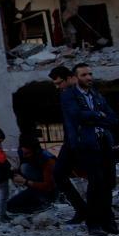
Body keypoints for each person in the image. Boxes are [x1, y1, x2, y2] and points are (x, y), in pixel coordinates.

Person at [60, 63, 119, 236]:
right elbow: (76, 115)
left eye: (90, 74)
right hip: (87, 144)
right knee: (96, 183)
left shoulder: (96, 95)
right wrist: (98, 115)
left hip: (104, 142)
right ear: (76, 77)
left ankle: (109, 222)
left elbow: (112, 118)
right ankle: (93, 224)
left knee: (108, 183)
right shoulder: (69, 95)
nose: (89, 77)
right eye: (84, 75)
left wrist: (95, 117)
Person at [48, 65, 88, 225]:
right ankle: (82, 209)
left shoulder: (81, 93)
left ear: (70, 78)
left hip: (83, 141)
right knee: (58, 174)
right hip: (71, 142)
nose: (58, 87)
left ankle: (94, 214)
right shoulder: (67, 95)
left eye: (60, 83)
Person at [7, 134, 58, 214]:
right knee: (10, 206)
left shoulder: (48, 161)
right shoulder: (26, 154)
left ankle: (43, 203)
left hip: (48, 191)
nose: (25, 156)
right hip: (35, 186)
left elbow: (48, 186)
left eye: (27, 153)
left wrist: (25, 181)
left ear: (35, 151)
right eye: (23, 153)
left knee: (25, 167)